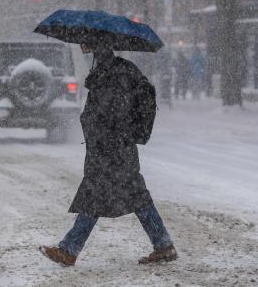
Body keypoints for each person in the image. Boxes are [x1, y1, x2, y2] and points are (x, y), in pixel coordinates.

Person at [39, 41, 177, 266]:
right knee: (135, 195)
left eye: (87, 52)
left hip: (112, 149)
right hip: (116, 148)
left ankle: (69, 250)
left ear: (97, 51)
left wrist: (106, 134)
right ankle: (163, 245)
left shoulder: (112, 76)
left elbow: (113, 114)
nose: (84, 57)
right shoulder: (113, 71)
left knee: (95, 195)